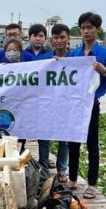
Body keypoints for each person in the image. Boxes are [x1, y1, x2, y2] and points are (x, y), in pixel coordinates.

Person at [68, 12, 106, 199]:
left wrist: (104, 70)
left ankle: (92, 184)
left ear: (97, 29)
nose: (86, 31)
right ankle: (72, 179)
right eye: (83, 28)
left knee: (92, 143)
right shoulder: (74, 54)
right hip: (75, 103)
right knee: (72, 141)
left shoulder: (103, 54)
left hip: (91, 103)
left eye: (89, 27)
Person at [37, 24, 71, 181]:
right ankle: (43, 166)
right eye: (56, 38)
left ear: (68, 38)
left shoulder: (76, 59)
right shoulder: (44, 60)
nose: (59, 41)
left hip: (66, 104)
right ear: (51, 39)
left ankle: (62, 170)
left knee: (64, 138)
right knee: (43, 136)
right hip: (47, 103)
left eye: (62, 37)